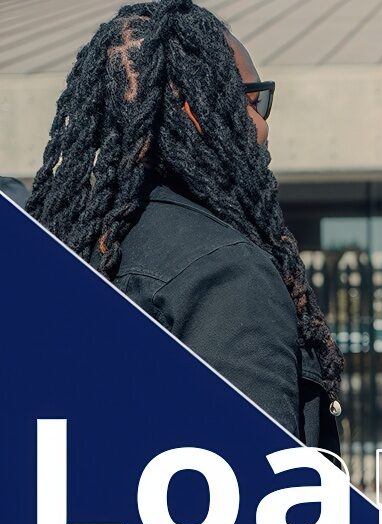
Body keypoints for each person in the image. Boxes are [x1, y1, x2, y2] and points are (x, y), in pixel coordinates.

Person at [25, 0, 344, 453]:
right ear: (194, 108)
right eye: (248, 101)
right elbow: (254, 493)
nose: (260, 125)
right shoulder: (225, 275)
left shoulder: (65, 253)